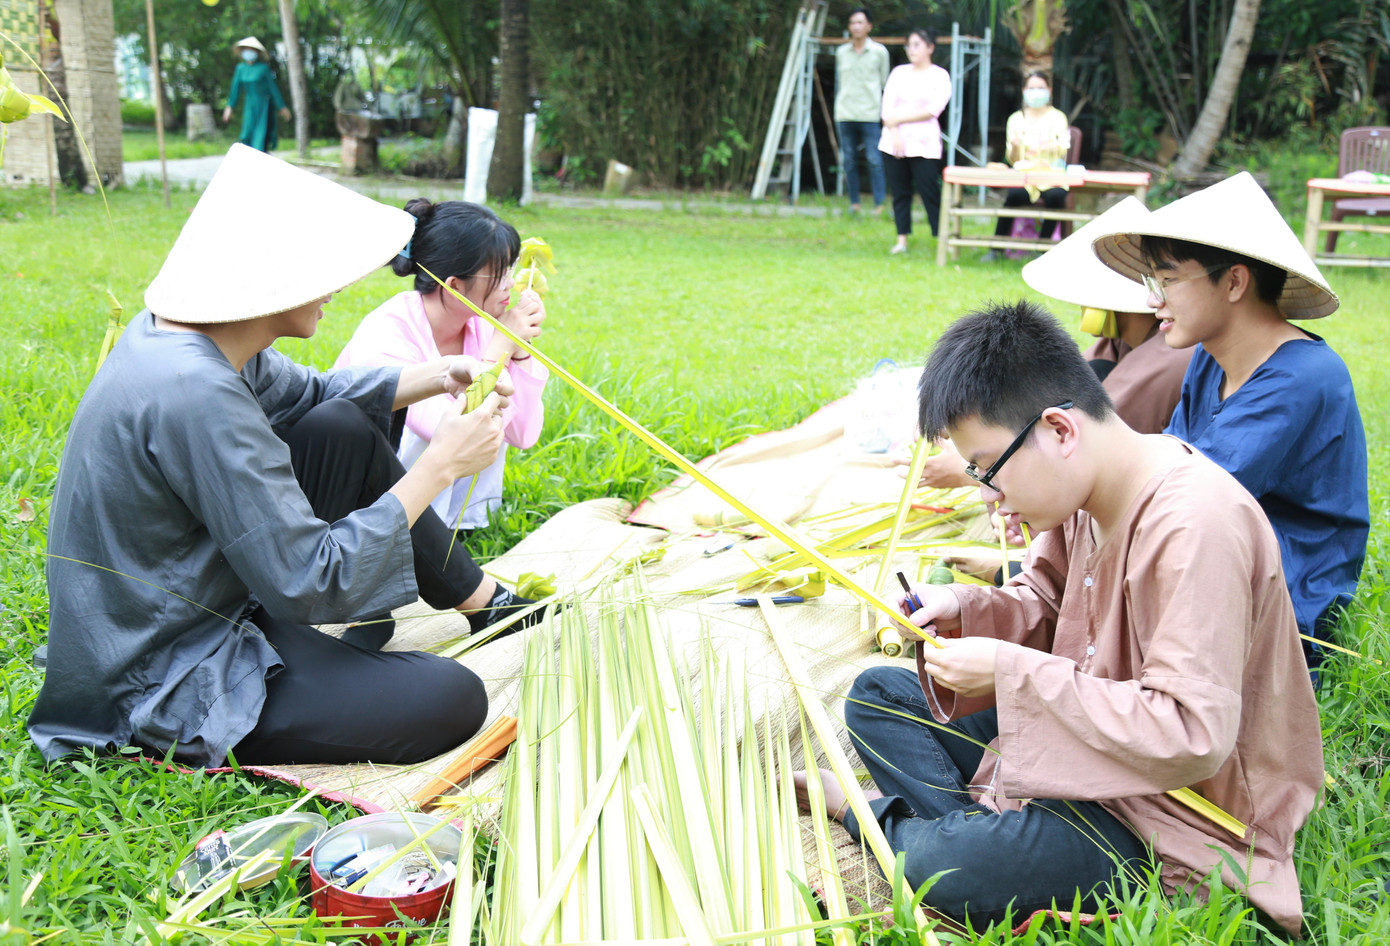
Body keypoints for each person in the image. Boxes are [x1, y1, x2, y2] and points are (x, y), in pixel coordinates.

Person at [800, 300, 1323, 934]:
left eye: (990, 470)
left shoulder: (1194, 524)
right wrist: (961, 609)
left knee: (940, 865)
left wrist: (1009, 672)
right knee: (879, 696)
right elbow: (1046, 606)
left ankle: (886, 821)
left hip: (1167, 812)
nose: (991, 498)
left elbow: (1193, 736)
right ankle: (981, 838)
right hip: (1092, 740)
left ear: (1060, 430)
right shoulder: (1084, 493)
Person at [28, 145, 541, 769]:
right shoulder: (197, 393)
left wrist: (437, 375)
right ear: (272, 279)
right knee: (453, 697)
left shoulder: (188, 334)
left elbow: (315, 393)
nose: (340, 287)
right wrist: (439, 469)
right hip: (159, 662)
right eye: (325, 271)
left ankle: (471, 598)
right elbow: (311, 579)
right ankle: (195, 714)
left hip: (197, 589)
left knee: (341, 427)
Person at [1091, 171, 1369, 667]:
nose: (1154, 299)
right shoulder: (1209, 358)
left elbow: (1190, 492)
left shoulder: (1302, 377)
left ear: (1235, 281)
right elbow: (1166, 461)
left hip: (1283, 607)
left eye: (1170, 280)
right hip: (1206, 561)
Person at [336, 200, 550, 542]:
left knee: (495, 404)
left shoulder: (481, 325)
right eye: (498, 275)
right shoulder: (387, 332)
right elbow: (446, 430)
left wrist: (520, 353)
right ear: (452, 284)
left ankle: (455, 525)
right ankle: (420, 535)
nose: (511, 284)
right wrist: (500, 350)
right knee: (467, 413)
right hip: (369, 505)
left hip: (446, 514)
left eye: (510, 270)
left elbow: (523, 435)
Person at [983, 71, 1071, 262]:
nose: (1036, 92)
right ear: (1024, 91)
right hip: (1024, 175)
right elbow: (1013, 159)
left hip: (1051, 174)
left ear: (1049, 90)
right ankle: (996, 248)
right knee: (1014, 195)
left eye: (1041, 88)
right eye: (1032, 88)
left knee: (1056, 196)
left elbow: (1063, 148)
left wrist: (1053, 146)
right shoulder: (1015, 119)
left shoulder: (1058, 118)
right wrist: (1014, 147)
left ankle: (1043, 247)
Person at [880, 27, 951, 255]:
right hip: (893, 141)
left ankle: (942, 240)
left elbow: (933, 110)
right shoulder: (898, 73)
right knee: (900, 193)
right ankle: (902, 240)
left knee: (929, 191)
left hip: (924, 143)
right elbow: (886, 108)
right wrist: (894, 132)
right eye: (909, 45)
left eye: (917, 44)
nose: (912, 50)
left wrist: (898, 119)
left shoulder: (939, 75)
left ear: (930, 47)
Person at [834, 7, 890, 215]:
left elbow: (885, 83)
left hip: (870, 113)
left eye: (860, 22)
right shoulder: (841, 52)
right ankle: (854, 204)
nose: (856, 27)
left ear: (869, 26)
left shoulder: (879, 52)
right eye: (852, 23)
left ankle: (879, 204)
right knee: (849, 160)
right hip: (845, 112)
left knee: (874, 160)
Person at [222, 37, 291, 153]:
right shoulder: (240, 68)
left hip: (264, 105)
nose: (249, 52)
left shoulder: (263, 68)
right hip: (249, 105)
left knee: (261, 135)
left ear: (257, 53)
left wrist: (282, 107)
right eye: (246, 49)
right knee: (247, 133)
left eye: (252, 49)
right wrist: (230, 107)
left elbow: (273, 89)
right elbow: (235, 89)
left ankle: (261, 161)